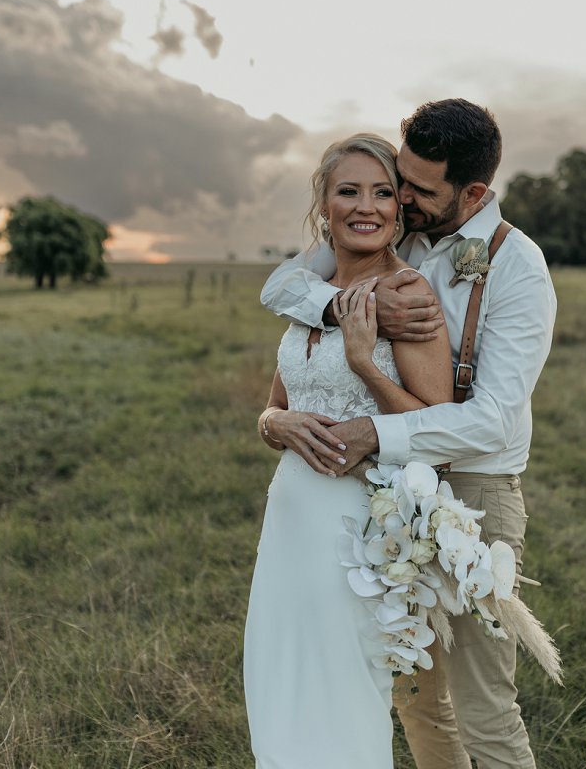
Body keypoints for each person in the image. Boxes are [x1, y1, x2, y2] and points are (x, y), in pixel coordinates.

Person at [261, 99, 557, 769]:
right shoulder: (399, 227)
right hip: (381, 498)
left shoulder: (516, 266)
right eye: (401, 180)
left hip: (473, 490)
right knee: (414, 692)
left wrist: (374, 432)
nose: (400, 198)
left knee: (484, 704)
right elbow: (281, 286)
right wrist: (346, 306)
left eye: (417, 189)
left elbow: (491, 421)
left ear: (472, 194)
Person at [243, 133, 453, 768]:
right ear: (324, 204)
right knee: (279, 679)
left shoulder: (408, 295)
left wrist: (365, 364)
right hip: (289, 524)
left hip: (358, 531)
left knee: (345, 690)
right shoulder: (311, 292)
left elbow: (436, 434)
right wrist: (274, 423)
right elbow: (275, 405)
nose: (367, 206)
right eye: (349, 191)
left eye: (383, 192)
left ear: (398, 208)